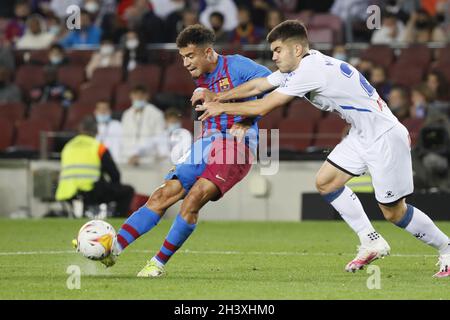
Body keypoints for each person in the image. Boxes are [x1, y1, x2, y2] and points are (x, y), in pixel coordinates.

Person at [196, 20, 450, 278]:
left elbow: (264, 106)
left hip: (384, 137)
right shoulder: (304, 64)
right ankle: (371, 240)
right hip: (362, 134)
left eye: (277, 50)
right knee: (327, 182)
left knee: (394, 212)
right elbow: (259, 86)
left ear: (296, 49)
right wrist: (217, 96)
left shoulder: (310, 71)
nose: (273, 56)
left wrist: (221, 107)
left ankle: (446, 248)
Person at [96, 24, 271, 278]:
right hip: (205, 142)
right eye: (183, 58)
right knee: (162, 195)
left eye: (190, 56)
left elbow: (277, 85)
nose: (186, 63)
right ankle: (114, 248)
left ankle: (157, 263)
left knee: (194, 197)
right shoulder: (200, 76)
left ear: (208, 52)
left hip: (236, 144)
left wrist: (247, 119)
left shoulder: (238, 66)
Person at [55, 116, 134, 217]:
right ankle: (116, 219)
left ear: (80, 130)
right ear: (96, 131)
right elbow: (114, 174)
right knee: (127, 191)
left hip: (66, 192)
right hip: (90, 191)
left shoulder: (67, 146)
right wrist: (114, 186)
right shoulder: (98, 147)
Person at [120, 84, 165, 165]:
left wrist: (139, 153)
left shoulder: (156, 113)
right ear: (131, 96)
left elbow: (159, 137)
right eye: (136, 95)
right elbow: (123, 138)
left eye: (141, 96)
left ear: (147, 96)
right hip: (128, 159)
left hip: (147, 159)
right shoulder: (126, 114)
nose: (138, 98)